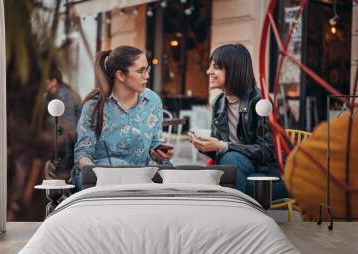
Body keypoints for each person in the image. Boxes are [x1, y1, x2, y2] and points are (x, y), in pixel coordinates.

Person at [73, 45, 173, 190]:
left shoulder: (153, 101)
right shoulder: (94, 106)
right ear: (120, 75)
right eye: (141, 71)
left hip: (141, 181)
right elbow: (82, 154)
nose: (147, 76)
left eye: (147, 69)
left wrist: (160, 151)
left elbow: (154, 142)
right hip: (101, 183)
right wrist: (100, 176)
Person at [189, 44, 280, 194]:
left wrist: (223, 146)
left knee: (230, 160)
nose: (209, 71)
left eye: (216, 67)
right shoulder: (219, 102)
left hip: (263, 170)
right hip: (235, 166)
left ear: (234, 70)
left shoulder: (260, 101)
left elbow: (265, 152)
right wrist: (203, 145)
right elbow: (220, 150)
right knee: (227, 162)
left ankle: (233, 208)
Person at [43, 67, 82, 183]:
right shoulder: (62, 93)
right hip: (70, 141)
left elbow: (67, 127)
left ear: (53, 81)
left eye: (45, 81)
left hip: (70, 144)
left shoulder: (63, 96)